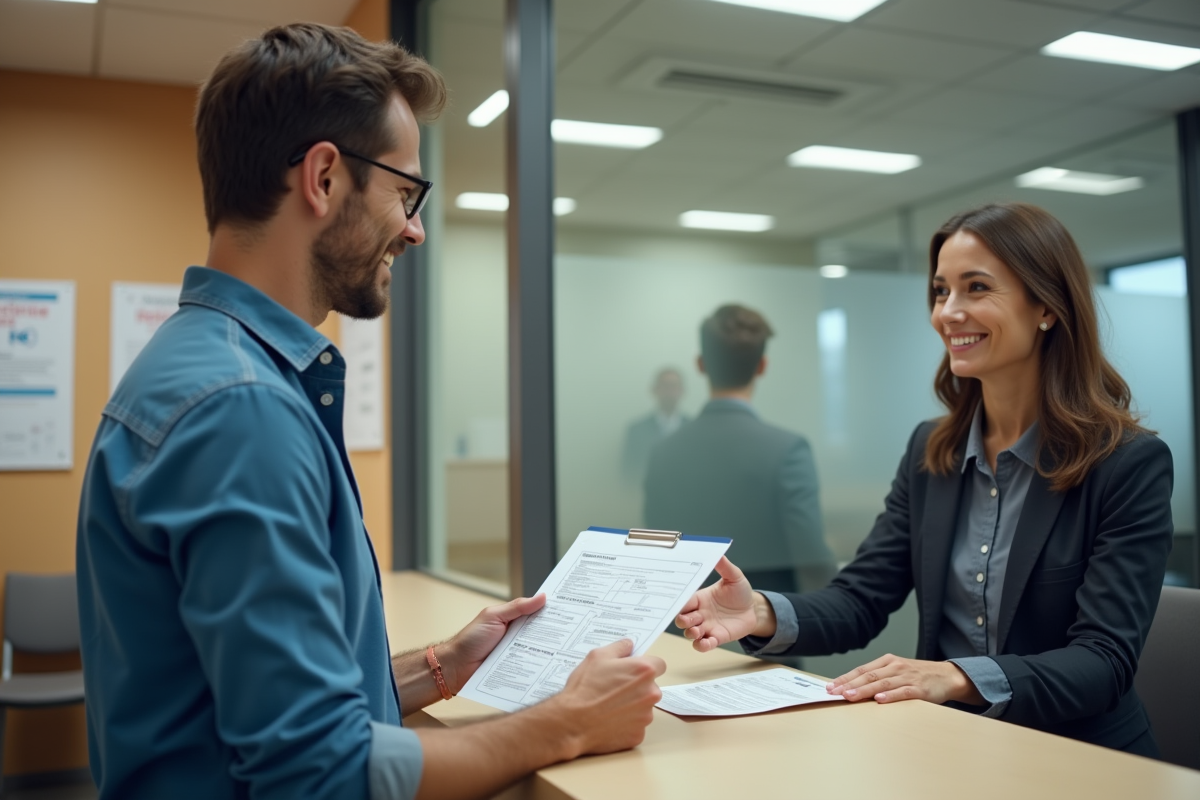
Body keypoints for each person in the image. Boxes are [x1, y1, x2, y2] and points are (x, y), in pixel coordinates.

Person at [75, 24, 664, 800]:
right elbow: (319, 771)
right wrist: (568, 723)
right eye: (405, 192)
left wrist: (440, 666)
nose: (414, 229)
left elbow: (255, 703)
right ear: (323, 177)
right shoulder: (241, 411)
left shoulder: (205, 368)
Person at [674, 204, 1173, 756]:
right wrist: (758, 612)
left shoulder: (1126, 464)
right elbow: (861, 599)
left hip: (1079, 756)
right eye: (940, 291)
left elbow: (1103, 662)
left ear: (1047, 307)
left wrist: (953, 676)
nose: (948, 313)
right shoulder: (932, 451)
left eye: (976, 288)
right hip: (954, 745)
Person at [644, 304, 836, 595]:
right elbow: (812, 559)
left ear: (700, 364)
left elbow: (657, 546)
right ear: (762, 366)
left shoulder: (662, 453)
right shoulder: (787, 451)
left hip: (686, 616)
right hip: (765, 618)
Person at [621, 367, 688, 484]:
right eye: (665, 386)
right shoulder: (636, 431)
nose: (669, 391)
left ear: (682, 391)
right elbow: (628, 472)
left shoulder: (695, 428)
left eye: (674, 386)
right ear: (654, 390)